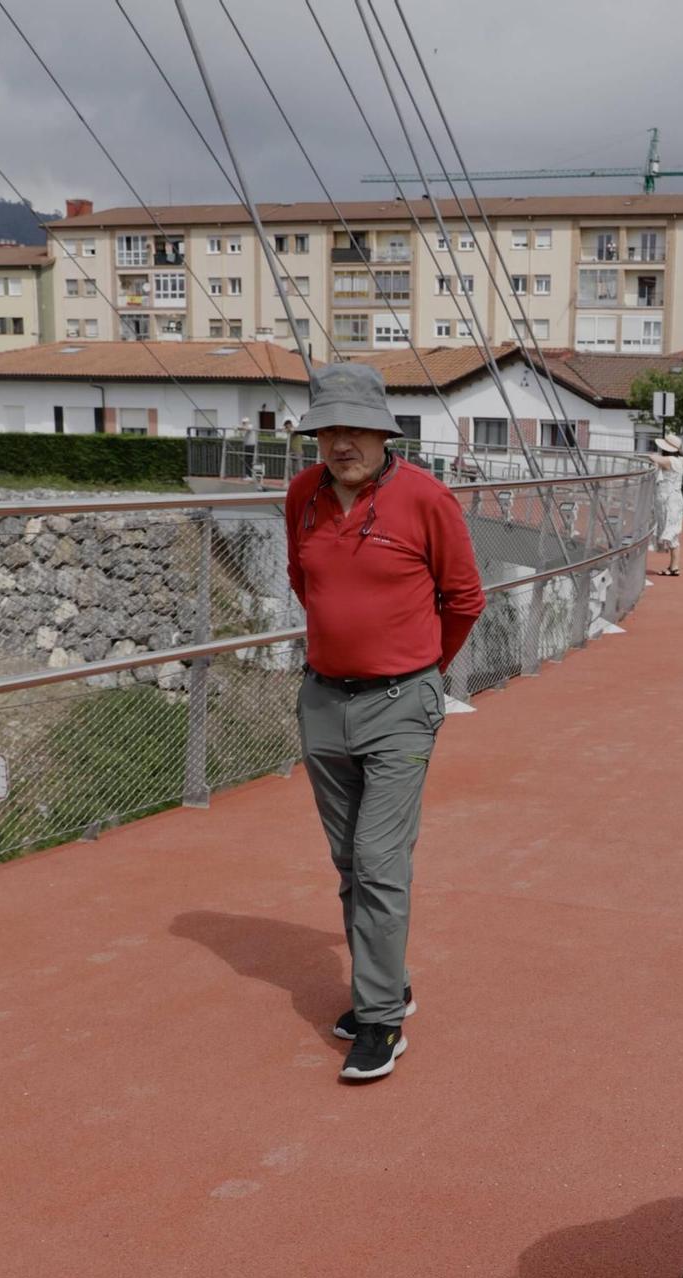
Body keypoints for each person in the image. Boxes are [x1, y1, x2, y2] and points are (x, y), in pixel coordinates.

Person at [285, 362, 486, 1083]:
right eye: (327, 429)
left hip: (401, 704)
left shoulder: (427, 500)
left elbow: (464, 599)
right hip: (322, 701)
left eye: (354, 428)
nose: (341, 442)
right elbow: (302, 580)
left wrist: (422, 674)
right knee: (349, 861)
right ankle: (386, 982)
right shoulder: (302, 497)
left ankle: (379, 1019)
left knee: (378, 859)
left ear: (382, 432)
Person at [649, 433, 683, 577]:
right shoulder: (676, 459)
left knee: (672, 532)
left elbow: (654, 458)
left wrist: (655, 457)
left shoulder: (671, 460)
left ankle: (675, 566)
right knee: (668, 530)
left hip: (670, 500)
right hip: (667, 499)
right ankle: (673, 566)